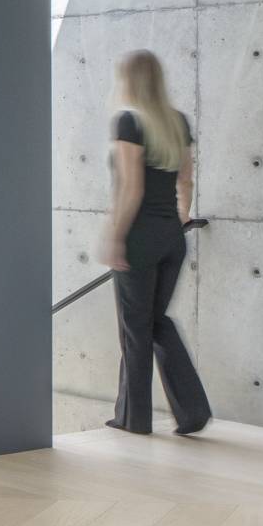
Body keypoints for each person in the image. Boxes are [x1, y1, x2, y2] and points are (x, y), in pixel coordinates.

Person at [99, 50, 211, 435]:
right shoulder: (177, 121)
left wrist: (115, 238)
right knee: (156, 321)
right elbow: (186, 179)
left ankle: (133, 419)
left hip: (140, 238)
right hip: (170, 238)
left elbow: (131, 188)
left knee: (135, 328)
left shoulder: (129, 122)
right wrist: (181, 214)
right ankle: (193, 412)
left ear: (129, 80)